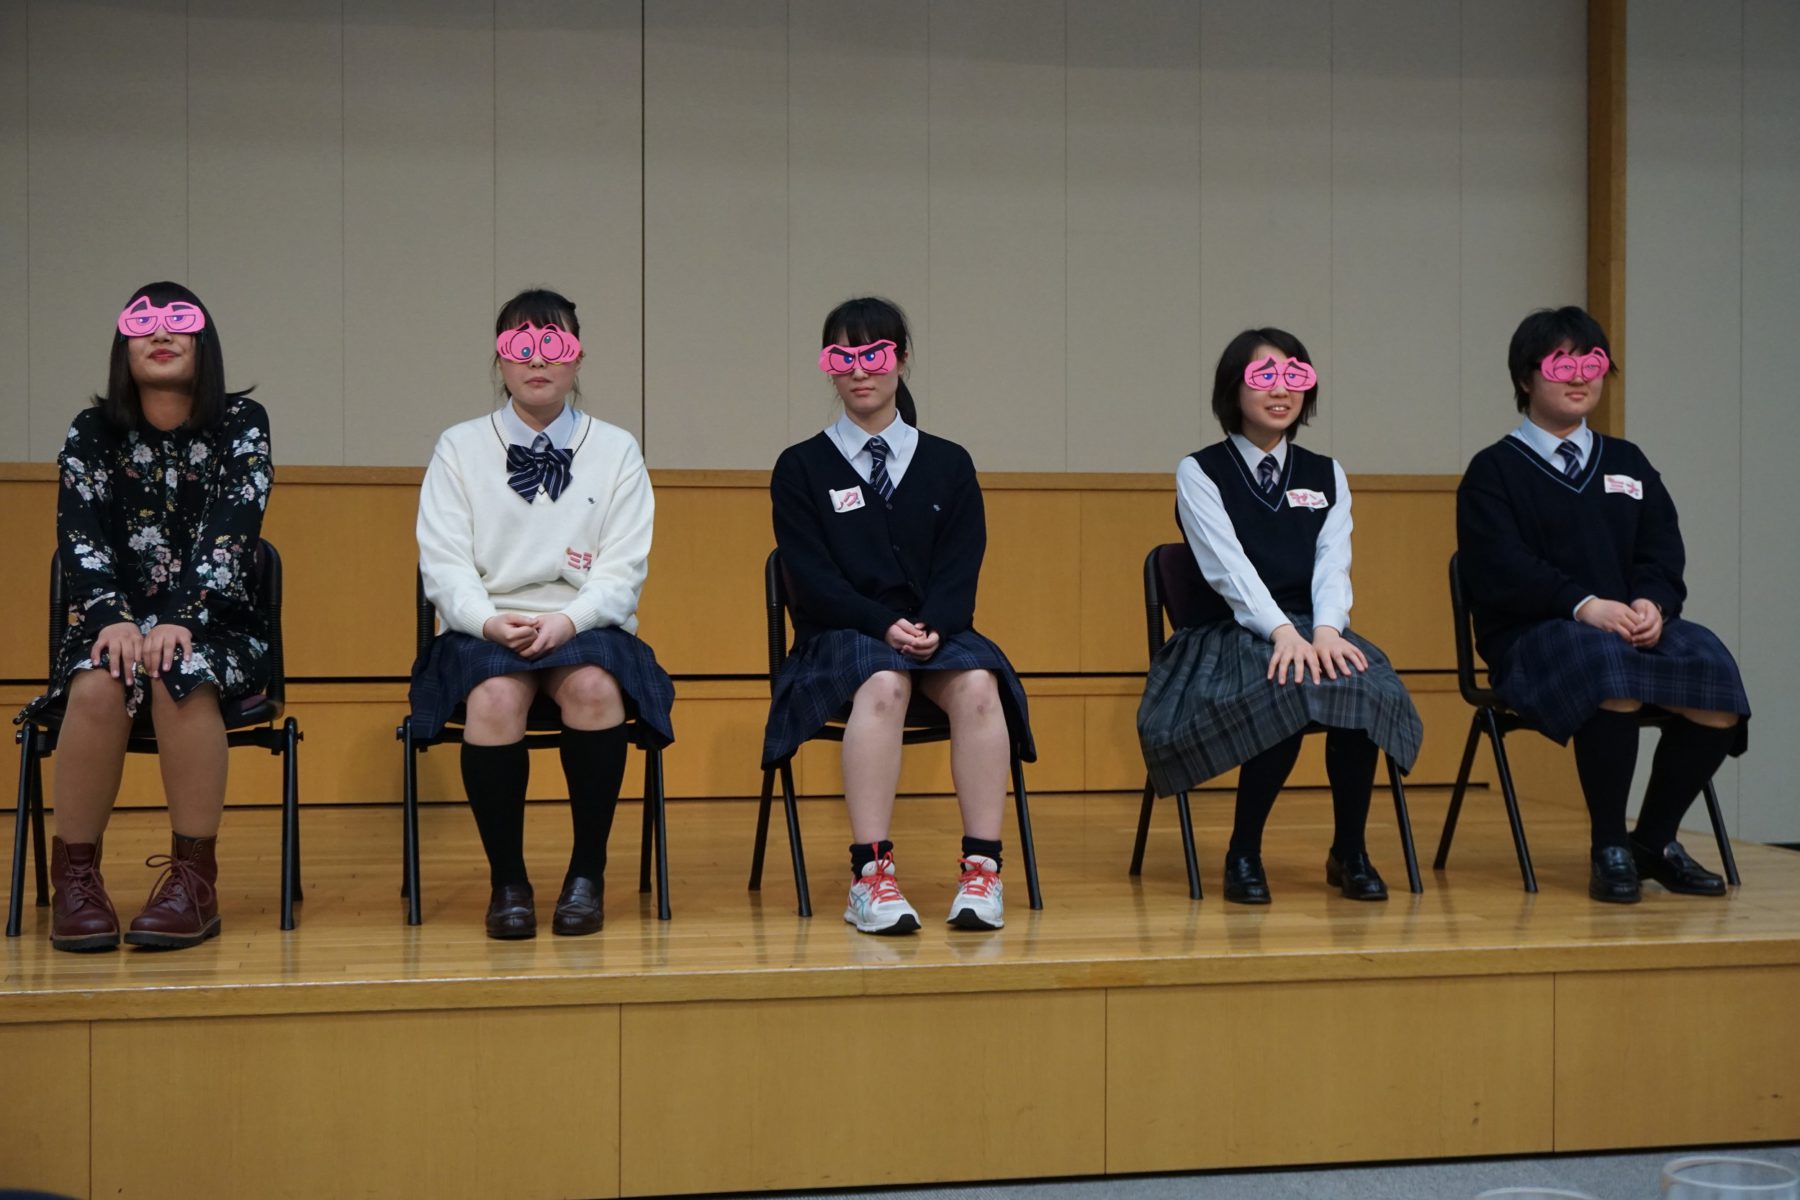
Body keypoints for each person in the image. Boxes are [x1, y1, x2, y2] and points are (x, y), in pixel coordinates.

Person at [1456, 306, 1748, 903]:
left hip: (1627, 629)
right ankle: (1609, 845)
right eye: (1561, 364)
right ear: (1525, 377)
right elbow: (1498, 566)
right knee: (1607, 667)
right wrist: (1582, 604)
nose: (1579, 376)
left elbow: (1661, 551)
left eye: (1591, 363)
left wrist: (1653, 603)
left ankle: (1654, 841)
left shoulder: (1628, 462)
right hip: (1533, 636)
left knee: (1715, 672)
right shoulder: (1494, 470)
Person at [765, 296, 1034, 934]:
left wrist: (936, 622)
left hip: (936, 629)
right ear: (829, 366)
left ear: (902, 360)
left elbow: (962, 565)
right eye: (843, 357)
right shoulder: (800, 466)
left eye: (875, 354)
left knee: (979, 684)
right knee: (884, 681)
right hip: (842, 633)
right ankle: (871, 877)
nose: (860, 370)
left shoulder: (948, 462)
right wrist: (880, 624)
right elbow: (810, 577)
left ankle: (983, 871)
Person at [412, 287, 673, 938]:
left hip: (585, 622)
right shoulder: (459, 446)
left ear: (577, 357)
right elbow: (443, 561)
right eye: (519, 344)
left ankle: (587, 874)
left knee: (593, 688)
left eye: (553, 343)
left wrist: (570, 621)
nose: (537, 358)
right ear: (499, 359)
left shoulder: (616, 449)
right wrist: (486, 620)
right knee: (494, 697)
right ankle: (509, 882)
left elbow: (622, 567)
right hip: (484, 623)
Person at [1137, 328, 1423, 904]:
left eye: (1294, 376)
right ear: (1233, 388)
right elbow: (1228, 569)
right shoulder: (1200, 470)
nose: (1281, 389)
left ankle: (1350, 851)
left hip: (1313, 625)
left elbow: (1333, 562)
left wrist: (1327, 630)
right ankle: (1243, 851)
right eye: (1263, 376)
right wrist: (1283, 633)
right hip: (1228, 632)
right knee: (1285, 685)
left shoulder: (1327, 473)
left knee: (1360, 684)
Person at [31, 281, 273, 951]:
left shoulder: (242, 422)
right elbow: (77, 536)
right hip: (108, 624)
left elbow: (235, 529)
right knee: (98, 680)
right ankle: (76, 882)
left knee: (178, 672)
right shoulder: (91, 432)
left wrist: (183, 617)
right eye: (143, 323)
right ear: (123, 345)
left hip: (216, 626)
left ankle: (193, 881)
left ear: (204, 339)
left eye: (178, 321)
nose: (160, 333)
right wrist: (111, 617)